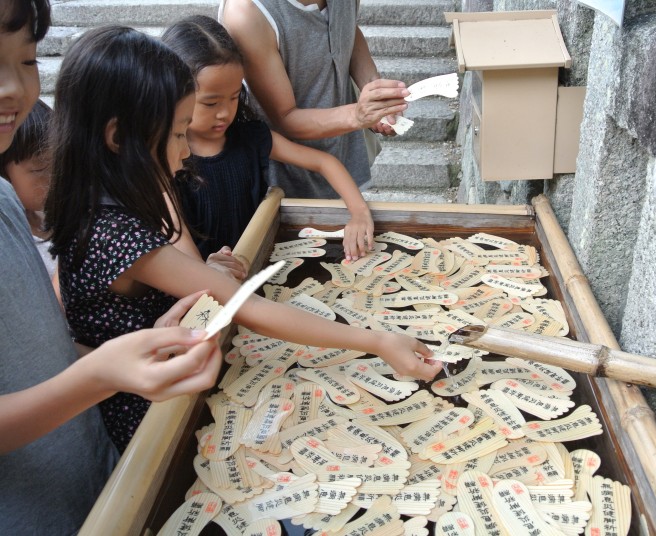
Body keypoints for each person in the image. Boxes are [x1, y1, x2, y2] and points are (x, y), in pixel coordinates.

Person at [44, 25, 442, 452]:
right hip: (146, 418)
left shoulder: (105, 200)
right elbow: (246, 306)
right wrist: (378, 341)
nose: (184, 151)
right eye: (178, 133)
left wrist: (198, 273)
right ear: (119, 137)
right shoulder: (113, 231)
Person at [0, 1, 223, 533]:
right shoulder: (108, 225)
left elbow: (43, 349)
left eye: (28, 61)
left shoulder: (8, 199)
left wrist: (134, 347)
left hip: (96, 478)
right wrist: (102, 373)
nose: (12, 87)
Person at [162, 15, 374, 261]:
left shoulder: (249, 137)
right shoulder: (164, 159)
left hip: (253, 264)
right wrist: (209, 275)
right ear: (173, 94)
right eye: (210, 103)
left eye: (233, 97)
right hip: (201, 283)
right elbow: (177, 238)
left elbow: (323, 162)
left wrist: (359, 212)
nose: (224, 113)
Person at [219, 0, 410, 198]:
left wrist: (373, 89)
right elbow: (286, 117)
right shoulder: (247, 12)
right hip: (281, 182)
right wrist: (357, 115)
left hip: (343, 155)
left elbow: (346, 30)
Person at [0, 99, 56, 276]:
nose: (54, 178)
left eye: (58, 164)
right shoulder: (11, 245)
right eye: (40, 169)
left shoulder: (49, 215)